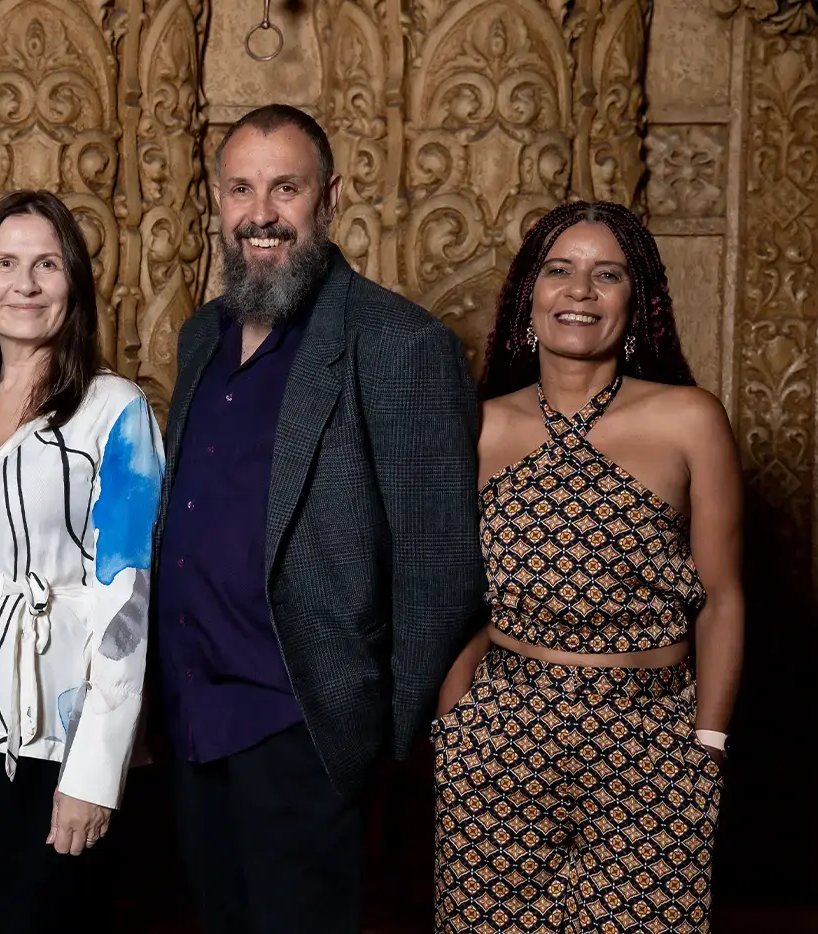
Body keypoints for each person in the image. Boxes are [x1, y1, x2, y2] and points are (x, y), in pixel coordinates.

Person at [152, 103, 483, 933]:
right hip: (190, 722)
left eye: (286, 189)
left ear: (329, 197)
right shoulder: (200, 337)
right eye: (241, 189)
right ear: (218, 201)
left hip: (301, 730)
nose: (260, 214)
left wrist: (367, 744)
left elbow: (439, 572)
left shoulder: (399, 342)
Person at [432, 201, 744, 933]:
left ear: (637, 301)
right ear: (528, 295)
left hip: (651, 735)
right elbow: (458, 596)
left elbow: (723, 598)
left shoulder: (690, 419)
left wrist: (706, 744)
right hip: (501, 734)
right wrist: (454, 724)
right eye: (559, 270)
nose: (580, 291)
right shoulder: (480, 426)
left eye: (607, 275)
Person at [0, 189, 163, 933]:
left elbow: (128, 599)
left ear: (73, 281)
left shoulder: (113, 409)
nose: (25, 283)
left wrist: (95, 772)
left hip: (53, 735)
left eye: (46, 264)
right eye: (5, 263)